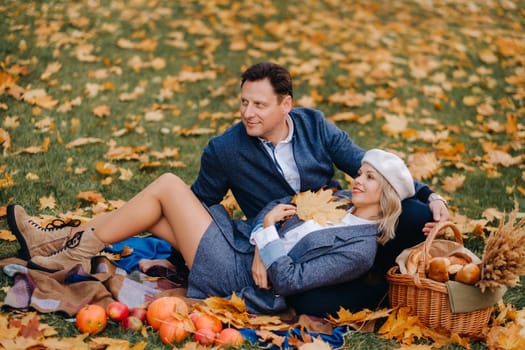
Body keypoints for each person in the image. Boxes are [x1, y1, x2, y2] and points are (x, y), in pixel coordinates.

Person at [159, 62, 448, 314]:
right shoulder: (225, 149)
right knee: (308, 300)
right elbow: (197, 202)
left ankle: (386, 277)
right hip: (284, 236)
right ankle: (364, 289)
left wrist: (430, 195)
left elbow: (375, 170)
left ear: (286, 105)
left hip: (339, 221)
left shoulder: (315, 126)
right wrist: (179, 258)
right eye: (244, 103)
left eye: (259, 105)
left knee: (417, 214)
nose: (247, 113)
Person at [7, 149, 415, 314]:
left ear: (389, 199)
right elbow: (273, 210)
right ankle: (62, 247)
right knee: (149, 214)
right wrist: (262, 238)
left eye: (371, 179)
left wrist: (268, 237)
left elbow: (290, 280)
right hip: (241, 249)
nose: (358, 180)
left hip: (240, 282)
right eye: (360, 172)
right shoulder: (338, 199)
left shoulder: (359, 250)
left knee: (167, 185)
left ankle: (65, 248)